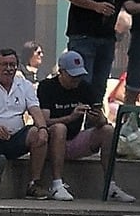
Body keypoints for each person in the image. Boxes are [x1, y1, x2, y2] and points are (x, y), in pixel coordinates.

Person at [35, 51, 133, 203]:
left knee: (108, 131)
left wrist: (98, 119)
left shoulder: (85, 87)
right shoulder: (47, 87)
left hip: (75, 140)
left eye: (79, 76)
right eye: (72, 76)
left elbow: (102, 119)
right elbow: (44, 122)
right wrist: (70, 117)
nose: (76, 80)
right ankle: (57, 183)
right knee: (60, 128)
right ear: (61, 72)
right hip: (51, 141)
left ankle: (110, 185)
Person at [60, 0, 130, 104]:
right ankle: (76, 125)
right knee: (82, 83)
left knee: (99, 88)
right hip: (83, 36)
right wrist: (95, 6)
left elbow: (130, 3)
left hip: (106, 40)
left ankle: (93, 128)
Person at [0, 47, 48, 197]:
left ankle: (34, 184)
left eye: (12, 65)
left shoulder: (24, 85)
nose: (8, 69)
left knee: (37, 133)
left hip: (16, 138)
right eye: (4, 65)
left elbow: (35, 109)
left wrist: (43, 128)